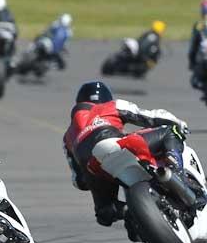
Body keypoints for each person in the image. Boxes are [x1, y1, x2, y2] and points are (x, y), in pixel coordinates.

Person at [63, 81, 191, 230]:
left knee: (105, 212)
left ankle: (130, 212)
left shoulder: (67, 137)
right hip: (117, 143)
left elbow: (79, 181)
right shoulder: (111, 105)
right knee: (170, 131)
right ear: (106, 98)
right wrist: (179, 124)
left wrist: (96, 181)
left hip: (92, 166)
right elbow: (151, 117)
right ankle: (176, 170)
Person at [188, 0, 207, 86]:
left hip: (202, 62)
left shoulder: (198, 26)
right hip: (202, 63)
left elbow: (192, 49)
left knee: (195, 82)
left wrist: (191, 64)